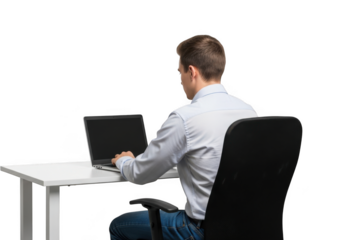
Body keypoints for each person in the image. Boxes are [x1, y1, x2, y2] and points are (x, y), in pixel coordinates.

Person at [109, 34, 259, 240]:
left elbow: (141, 174)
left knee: (118, 225)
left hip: (200, 229)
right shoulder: (248, 111)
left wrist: (124, 160)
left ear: (192, 72)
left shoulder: (185, 118)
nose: (181, 80)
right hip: (247, 225)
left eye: (180, 72)